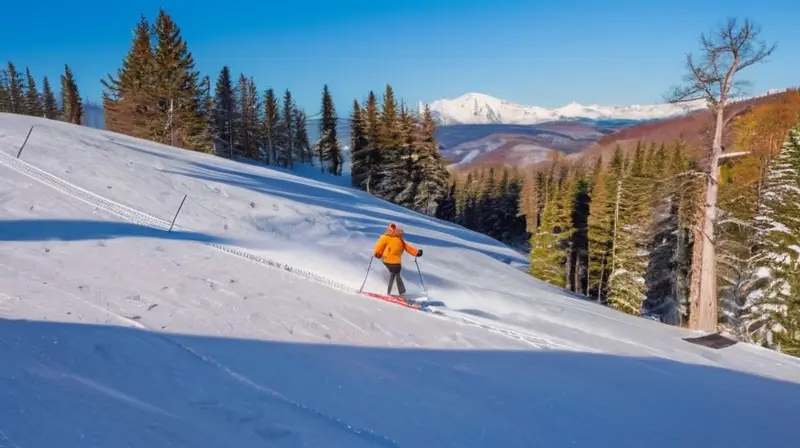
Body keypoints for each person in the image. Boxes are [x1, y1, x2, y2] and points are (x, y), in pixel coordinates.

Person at [373, 222, 423, 296]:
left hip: (396, 262)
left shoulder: (400, 239)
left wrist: (416, 252)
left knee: (396, 274)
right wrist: (377, 253)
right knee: (394, 273)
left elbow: (408, 247)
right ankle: (392, 292)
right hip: (388, 259)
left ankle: (400, 291)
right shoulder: (385, 237)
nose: (401, 232)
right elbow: (379, 246)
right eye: (398, 230)